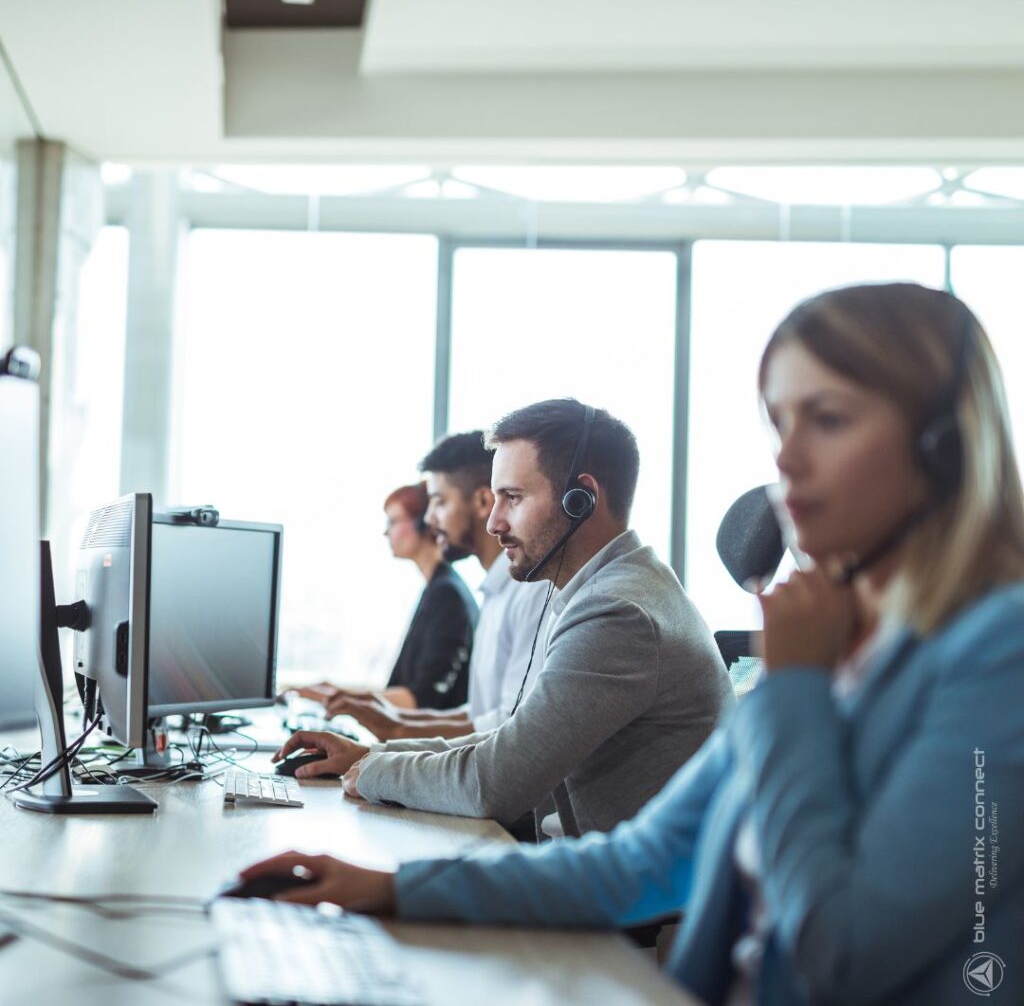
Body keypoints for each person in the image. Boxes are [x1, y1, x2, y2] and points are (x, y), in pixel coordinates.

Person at [245, 283, 1024, 1005]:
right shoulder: (838, 645)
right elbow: (640, 863)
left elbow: (843, 954)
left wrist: (795, 692)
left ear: (942, 447)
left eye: (827, 420)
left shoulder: (996, 659)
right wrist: (390, 888)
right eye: (778, 425)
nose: (785, 462)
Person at [272, 400, 735, 841]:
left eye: (512, 498)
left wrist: (370, 771)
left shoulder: (617, 613)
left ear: (582, 499)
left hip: (630, 908)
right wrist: (373, 754)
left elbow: (494, 782)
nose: (493, 523)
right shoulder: (618, 587)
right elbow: (512, 742)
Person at [316, 431, 551, 741]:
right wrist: (387, 719)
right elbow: (480, 715)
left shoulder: (527, 591)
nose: (428, 518)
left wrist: (391, 736)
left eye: (439, 502)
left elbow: (508, 727)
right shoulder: (492, 593)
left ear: (481, 501)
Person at [302, 482, 478, 712]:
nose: (386, 532)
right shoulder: (437, 588)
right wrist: (338, 693)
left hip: (431, 739)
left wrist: (340, 697)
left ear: (423, 523)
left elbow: (422, 698)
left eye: (393, 521)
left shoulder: (446, 595)